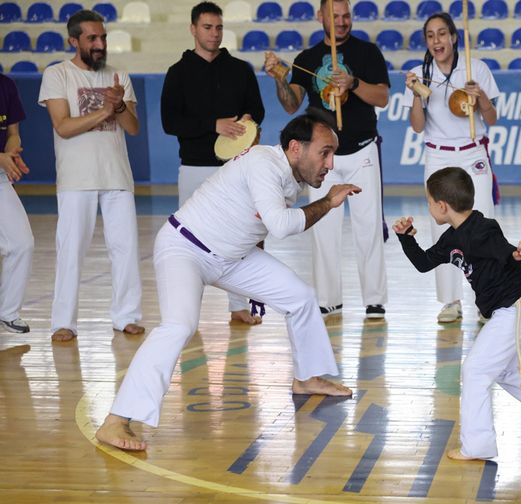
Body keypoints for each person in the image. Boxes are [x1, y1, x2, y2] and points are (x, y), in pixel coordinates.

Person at [95, 111, 355, 451]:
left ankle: (308, 377)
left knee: (300, 296)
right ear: (295, 147)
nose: (330, 163)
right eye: (325, 152)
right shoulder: (264, 163)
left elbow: (257, 223)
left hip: (233, 256)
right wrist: (328, 202)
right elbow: (280, 225)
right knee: (178, 326)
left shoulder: (290, 174)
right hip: (185, 247)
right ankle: (117, 420)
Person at [393, 167, 521, 460]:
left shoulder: (483, 228)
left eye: (428, 202)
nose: (428, 208)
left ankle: (477, 445)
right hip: (518, 311)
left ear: (442, 206)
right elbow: (424, 263)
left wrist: (519, 256)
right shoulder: (450, 239)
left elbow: (505, 252)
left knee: (475, 371)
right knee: (504, 370)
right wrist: (406, 237)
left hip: (516, 308)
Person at [263, 0, 389, 321]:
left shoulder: (368, 53)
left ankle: (374, 300)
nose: (343, 22)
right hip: (322, 159)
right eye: (335, 17)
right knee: (323, 230)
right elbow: (291, 105)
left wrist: (354, 83)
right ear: (321, 17)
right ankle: (329, 298)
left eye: (347, 16)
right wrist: (279, 78)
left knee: (369, 227)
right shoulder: (306, 59)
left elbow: (383, 98)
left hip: (362, 150)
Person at [38, 10, 145, 342]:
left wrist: (119, 107)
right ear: (74, 41)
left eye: (103, 38)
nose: (100, 44)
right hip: (75, 179)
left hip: (117, 177)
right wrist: (105, 109)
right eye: (92, 39)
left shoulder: (119, 76)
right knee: (71, 249)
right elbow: (63, 126)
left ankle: (127, 315)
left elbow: (133, 128)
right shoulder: (57, 75)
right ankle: (63, 322)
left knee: (125, 249)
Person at [161, 1, 266, 325]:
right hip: (194, 166)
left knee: (242, 236)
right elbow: (170, 122)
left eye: (218, 27)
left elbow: (257, 111)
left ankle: (240, 305)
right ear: (193, 29)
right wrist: (213, 124)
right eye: (207, 27)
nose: (214, 33)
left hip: (236, 166)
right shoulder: (177, 73)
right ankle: (185, 311)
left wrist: (248, 120)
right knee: (191, 241)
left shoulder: (240, 69)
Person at [403, 12, 500, 324]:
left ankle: (488, 298)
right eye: (430, 36)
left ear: (454, 37)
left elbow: (493, 118)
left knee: (482, 224)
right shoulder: (419, 73)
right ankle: (450, 301)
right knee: (442, 225)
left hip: (472, 151)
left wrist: (480, 95)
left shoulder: (476, 68)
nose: (436, 41)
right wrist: (416, 93)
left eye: (442, 34)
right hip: (438, 155)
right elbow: (417, 127)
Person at [0, 74, 35, 334]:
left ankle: (7, 312)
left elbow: (14, 133)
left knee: (22, 243)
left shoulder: (6, 84)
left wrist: (10, 154)